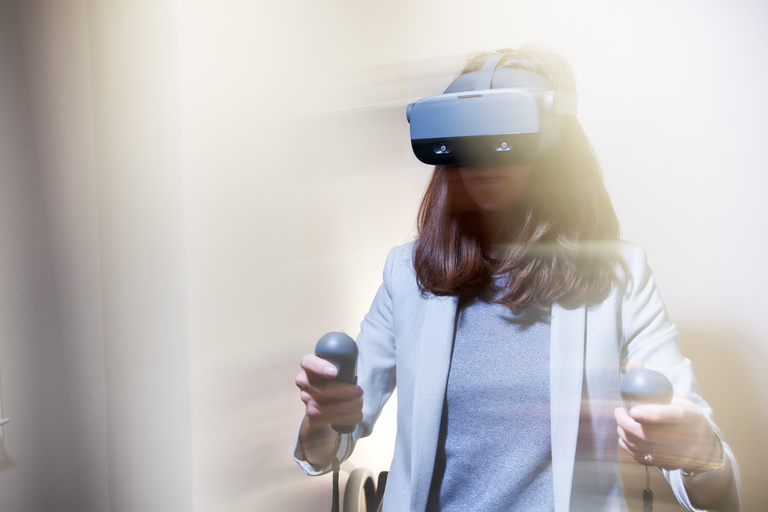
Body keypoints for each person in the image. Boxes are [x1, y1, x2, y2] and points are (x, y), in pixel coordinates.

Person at [293, 46, 740, 511]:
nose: (483, 155)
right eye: (468, 134)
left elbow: (715, 494)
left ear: (555, 144)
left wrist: (699, 456)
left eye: (505, 128)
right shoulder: (405, 273)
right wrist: (321, 422)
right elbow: (326, 451)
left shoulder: (620, 276)